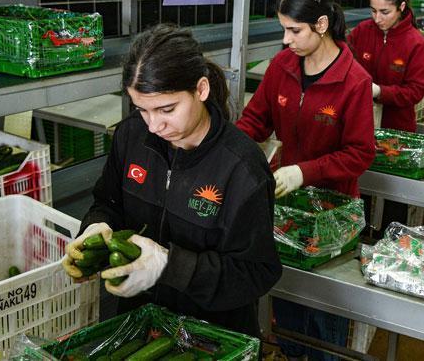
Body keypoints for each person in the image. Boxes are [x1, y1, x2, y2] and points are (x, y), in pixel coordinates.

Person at [61, 24, 282, 338]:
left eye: (167, 109)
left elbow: (255, 272)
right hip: (139, 326)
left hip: (213, 337)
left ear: (201, 90)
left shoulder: (241, 167)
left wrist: (169, 265)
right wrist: (96, 226)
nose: (154, 125)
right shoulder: (131, 136)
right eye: (142, 109)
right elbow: (108, 202)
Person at [236, 0, 376, 361]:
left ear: (321, 25)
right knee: (290, 299)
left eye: (294, 30)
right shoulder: (283, 66)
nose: (286, 40)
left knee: (323, 316)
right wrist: (228, 151)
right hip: (287, 206)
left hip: (333, 214)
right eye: (284, 29)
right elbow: (255, 120)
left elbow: (360, 153)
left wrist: (304, 172)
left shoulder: (354, 81)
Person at [347, 0, 424, 132]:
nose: (377, 19)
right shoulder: (363, 30)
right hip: (360, 121)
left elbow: (416, 91)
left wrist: (380, 92)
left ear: (401, 7)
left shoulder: (416, 43)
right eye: (373, 11)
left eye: (385, 12)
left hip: (395, 127)